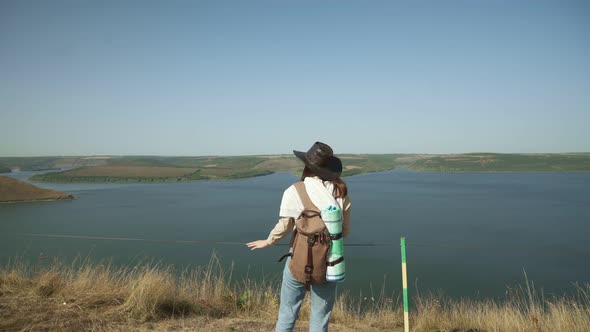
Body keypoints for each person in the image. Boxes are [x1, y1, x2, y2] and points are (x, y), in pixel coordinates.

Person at [247, 142, 351, 332]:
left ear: (307, 166)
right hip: (328, 264)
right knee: (320, 319)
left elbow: (285, 225)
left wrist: (269, 241)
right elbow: (344, 231)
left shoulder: (296, 190)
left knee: (287, 313)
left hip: (298, 261)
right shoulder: (340, 192)